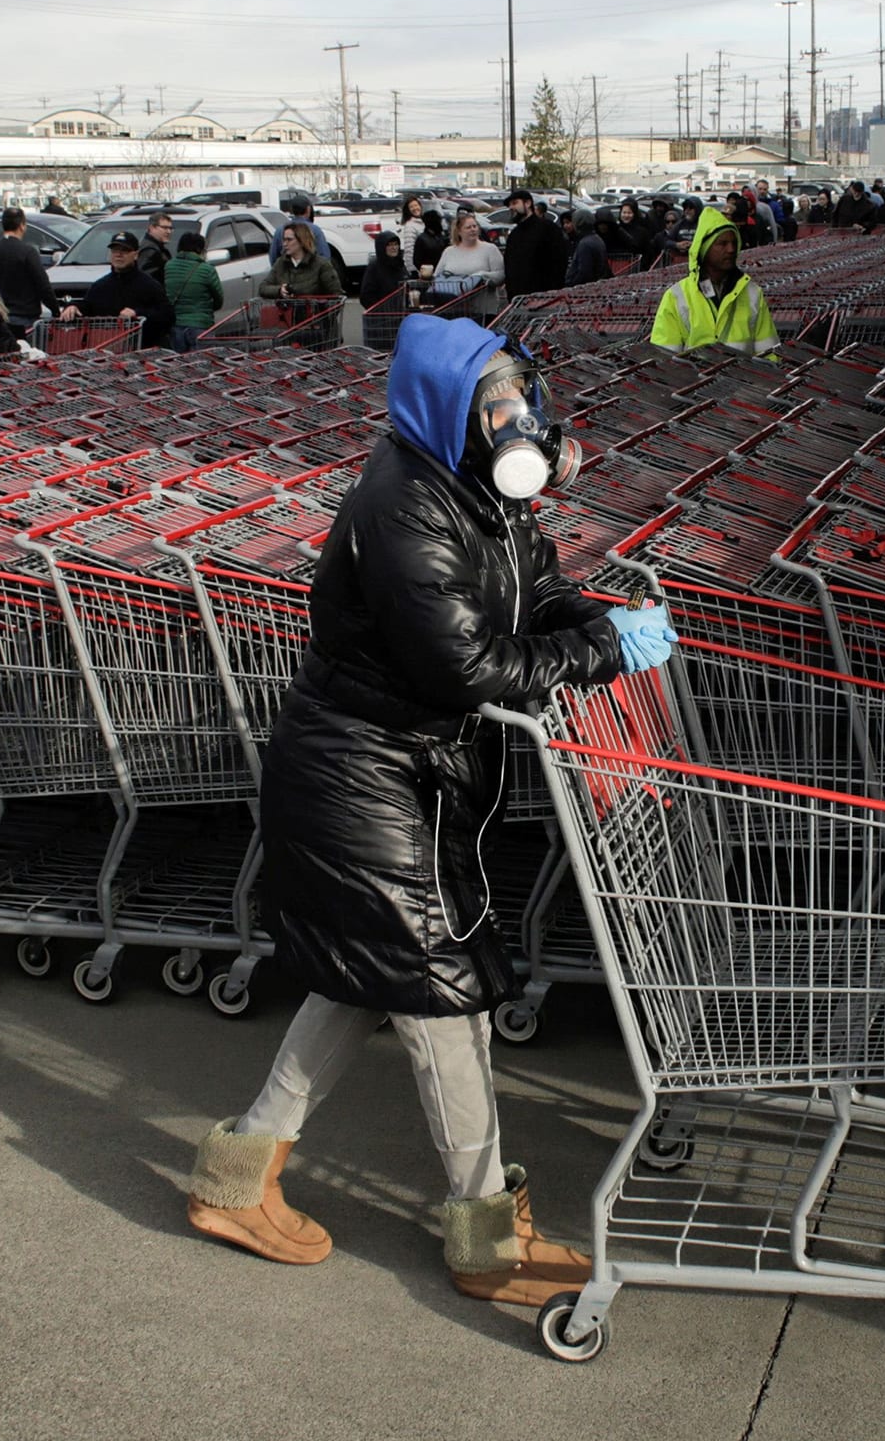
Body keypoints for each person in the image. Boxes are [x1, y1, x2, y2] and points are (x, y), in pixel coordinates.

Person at [183, 313, 677, 1304]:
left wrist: (599, 618)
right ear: (445, 410)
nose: (516, 420)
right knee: (446, 992)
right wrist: (601, 653)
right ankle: (484, 1238)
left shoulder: (476, 494)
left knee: (370, 979)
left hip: (405, 780)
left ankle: (237, 1179)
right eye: (494, 403)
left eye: (518, 397)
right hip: (364, 778)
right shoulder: (404, 506)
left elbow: (534, 593)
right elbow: (462, 663)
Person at [649, 205, 778, 357]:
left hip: (742, 380)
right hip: (693, 380)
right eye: (722, 244)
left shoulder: (752, 292)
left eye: (733, 243)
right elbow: (664, 360)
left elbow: (769, 352)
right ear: (704, 249)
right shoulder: (676, 296)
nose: (731, 249)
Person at [64, 229, 175, 348]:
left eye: (125, 250)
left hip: (140, 352)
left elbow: (167, 315)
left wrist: (137, 313)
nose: (119, 254)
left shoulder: (149, 285)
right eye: (115, 250)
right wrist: (73, 307)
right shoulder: (100, 286)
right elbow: (88, 306)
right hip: (106, 352)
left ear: (136, 255)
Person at [0, 207, 58, 334]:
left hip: (2, 318)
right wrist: (55, 310)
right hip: (26, 318)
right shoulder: (27, 252)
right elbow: (43, 285)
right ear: (22, 226)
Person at [162, 231, 225, 352]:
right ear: (200, 250)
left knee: (179, 365)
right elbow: (219, 300)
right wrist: (207, 309)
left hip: (176, 325)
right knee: (203, 362)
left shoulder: (169, 266)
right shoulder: (207, 270)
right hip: (201, 325)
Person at [499, 189, 566, 298]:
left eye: (515, 203)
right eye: (509, 205)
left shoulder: (548, 229)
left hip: (544, 298)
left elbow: (558, 264)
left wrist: (551, 294)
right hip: (519, 301)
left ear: (528, 203)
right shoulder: (514, 234)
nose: (511, 208)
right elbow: (510, 266)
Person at [429, 211, 505, 302]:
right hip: (453, 307)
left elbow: (501, 275)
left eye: (474, 226)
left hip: (483, 309)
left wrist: (482, 276)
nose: (473, 229)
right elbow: (437, 276)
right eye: (468, 227)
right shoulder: (449, 251)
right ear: (459, 231)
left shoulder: (490, 249)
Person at [359, 230, 408, 309]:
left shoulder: (400, 264)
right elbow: (366, 296)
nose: (394, 248)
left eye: (396, 244)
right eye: (389, 245)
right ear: (381, 247)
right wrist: (381, 309)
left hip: (400, 312)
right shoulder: (374, 267)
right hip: (382, 315)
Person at [563, 206, 610, 288]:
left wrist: (571, 284)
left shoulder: (585, 244)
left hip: (583, 288)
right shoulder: (596, 238)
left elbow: (584, 272)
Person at [279, 191, 334, 260]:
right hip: (312, 270)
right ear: (308, 209)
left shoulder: (281, 230)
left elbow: (273, 256)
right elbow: (324, 255)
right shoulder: (315, 230)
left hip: (287, 270)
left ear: (291, 210)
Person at [410, 208, 449, 278]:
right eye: (439, 221)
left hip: (444, 273)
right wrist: (426, 271)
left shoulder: (442, 237)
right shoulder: (422, 239)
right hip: (429, 275)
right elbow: (417, 260)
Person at [138, 210, 176, 278]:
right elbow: (145, 279)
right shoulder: (150, 251)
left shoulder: (158, 248)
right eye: (165, 228)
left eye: (170, 228)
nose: (169, 231)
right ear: (152, 227)